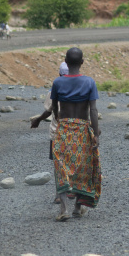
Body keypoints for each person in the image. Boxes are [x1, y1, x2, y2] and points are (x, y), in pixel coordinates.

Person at [50, 47, 101, 221]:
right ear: (82, 62)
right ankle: (78, 207)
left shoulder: (58, 82)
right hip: (82, 129)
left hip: (64, 128)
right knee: (82, 168)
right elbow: (93, 110)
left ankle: (63, 209)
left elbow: (55, 108)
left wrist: (60, 121)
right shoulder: (89, 82)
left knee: (61, 167)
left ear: (65, 61)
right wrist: (96, 133)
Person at [30, 61, 69, 203]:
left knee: (58, 164)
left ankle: (60, 194)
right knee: (72, 161)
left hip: (57, 133)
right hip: (73, 132)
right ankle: (71, 190)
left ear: (59, 74)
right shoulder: (77, 88)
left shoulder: (54, 89)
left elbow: (49, 110)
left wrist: (38, 120)